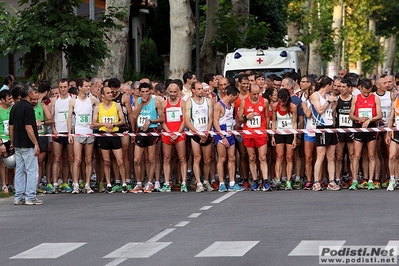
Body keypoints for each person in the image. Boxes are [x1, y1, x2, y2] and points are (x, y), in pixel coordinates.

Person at [9, 84, 42, 205]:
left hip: (18, 143)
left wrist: (12, 142)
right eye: (33, 92)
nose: (34, 94)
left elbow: (11, 127)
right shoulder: (28, 108)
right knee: (32, 170)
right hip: (27, 144)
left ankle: (18, 196)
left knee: (19, 170)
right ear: (29, 94)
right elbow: (28, 127)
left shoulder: (15, 107)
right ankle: (30, 196)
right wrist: (36, 143)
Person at [92, 86, 128, 193]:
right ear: (102, 95)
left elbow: (122, 121)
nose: (111, 94)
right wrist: (104, 124)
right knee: (106, 161)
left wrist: (112, 125)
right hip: (103, 135)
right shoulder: (98, 107)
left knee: (120, 160)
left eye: (111, 93)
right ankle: (108, 183)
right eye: (108, 93)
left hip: (115, 134)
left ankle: (124, 183)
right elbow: (94, 123)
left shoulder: (117, 105)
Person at [349, 78, 382, 190]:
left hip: (371, 127)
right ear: (360, 88)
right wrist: (359, 118)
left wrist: (370, 120)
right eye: (364, 92)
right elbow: (351, 115)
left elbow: (380, 115)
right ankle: (354, 180)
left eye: (369, 92)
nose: (367, 94)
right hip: (359, 126)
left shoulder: (375, 98)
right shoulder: (356, 98)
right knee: (357, 155)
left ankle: (371, 181)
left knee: (371, 154)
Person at [67, 78, 99, 194]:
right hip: (78, 132)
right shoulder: (73, 101)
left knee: (89, 159)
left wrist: (96, 122)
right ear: (79, 87)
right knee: (77, 159)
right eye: (86, 86)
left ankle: (87, 184)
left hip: (89, 132)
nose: (88, 88)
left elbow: (101, 108)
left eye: (89, 86)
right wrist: (70, 133)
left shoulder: (92, 99)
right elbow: (69, 118)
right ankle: (76, 184)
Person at [131, 82, 164, 193]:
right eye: (142, 92)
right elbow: (134, 115)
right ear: (139, 92)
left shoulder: (156, 101)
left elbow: (162, 118)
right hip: (140, 131)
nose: (145, 94)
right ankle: (139, 183)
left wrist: (150, 121)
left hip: (152, 130)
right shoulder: (138, 101)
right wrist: (141, 104)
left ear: (150, 91)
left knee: (151, 158)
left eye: (147, 91)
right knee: (136, 159)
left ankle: (150, 182)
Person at [310, 76, 340, 191]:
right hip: (321, 127)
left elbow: (329, 112)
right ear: (327, 85)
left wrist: (334, 104)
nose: (332, 88)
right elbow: (319, 110)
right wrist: (329, 101)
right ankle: (316, 181)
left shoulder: (328, 96)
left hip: (330, 126)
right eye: (331, 85)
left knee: (331, 156)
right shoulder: (315, 95)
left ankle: (331, 181)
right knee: (321, 155)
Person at [238, 83, 270, 191]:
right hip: (248, 133)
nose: (256, 96)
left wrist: (268, 131)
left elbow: (266, 117)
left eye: (258, 94)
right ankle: (255, 180)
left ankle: (265, 181)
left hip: (261, 133)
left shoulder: (264, 101)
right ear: (249, 92)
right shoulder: (243, 102)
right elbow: (239, 119)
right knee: (251, 158)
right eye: (254, 94)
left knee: (263, 157)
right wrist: (246, 117)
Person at [184, 81, 214, 192]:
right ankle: (199, 182)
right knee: (197, 157)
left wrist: (207, 131)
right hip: (195, 133)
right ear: (193, 90)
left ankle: (206, 180)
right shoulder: (189, 102)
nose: (201, 91)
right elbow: (187, 121)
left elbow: (210, 118)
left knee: (207, 159)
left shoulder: (208, 101)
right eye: (198, 89)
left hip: (206, 132)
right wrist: (198, 133)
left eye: (202, 88)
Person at [213, 85, 243, 192]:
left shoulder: (232, 104)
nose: (236, 99)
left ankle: (232, 182)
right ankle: (221, 183)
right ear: (231, 95)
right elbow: (215, 122)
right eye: (235, 97)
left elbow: (232, 119)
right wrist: (222, 136)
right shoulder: (218, 105)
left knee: (232, 158)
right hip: (221, 132)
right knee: (222, 158)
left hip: (230, 133)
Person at [159, 83, 187, 192]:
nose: (173, 94)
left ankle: (183, 182)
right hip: (168, 133)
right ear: (167, 91)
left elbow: (185, 120)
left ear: (178, 91)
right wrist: (169, 132)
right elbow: (162, 120)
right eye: (171, 92)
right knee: (166, 158)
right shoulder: (163, 103)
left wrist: (177, 133)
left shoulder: (182, 103)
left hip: (179, 133)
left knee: (182, 158)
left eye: (175, 92)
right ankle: (167, 182)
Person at [49, 78, 74, 194]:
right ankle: (55, 183)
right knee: (57, 159)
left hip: (69, 132)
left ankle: (67, 182)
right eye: (61, 87)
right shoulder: (54, 100)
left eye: (65, 87)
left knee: (69, 158)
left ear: (68, 87)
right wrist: (53, 129)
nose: (63, 89)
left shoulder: (73, 99)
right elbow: (50, 117)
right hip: (58, 132)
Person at [271, 88, 297, 190]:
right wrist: (273, 136)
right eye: (279, 101)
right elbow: (273, 121)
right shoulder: (275, 106)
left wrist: (295, 137)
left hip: (290, 133)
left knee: (289, 158)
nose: (281, 103)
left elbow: (294, 122)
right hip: (279, 132)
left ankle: (288, 181)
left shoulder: (292, 107)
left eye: (283, 101)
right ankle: (278, 179)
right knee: (279, 156)